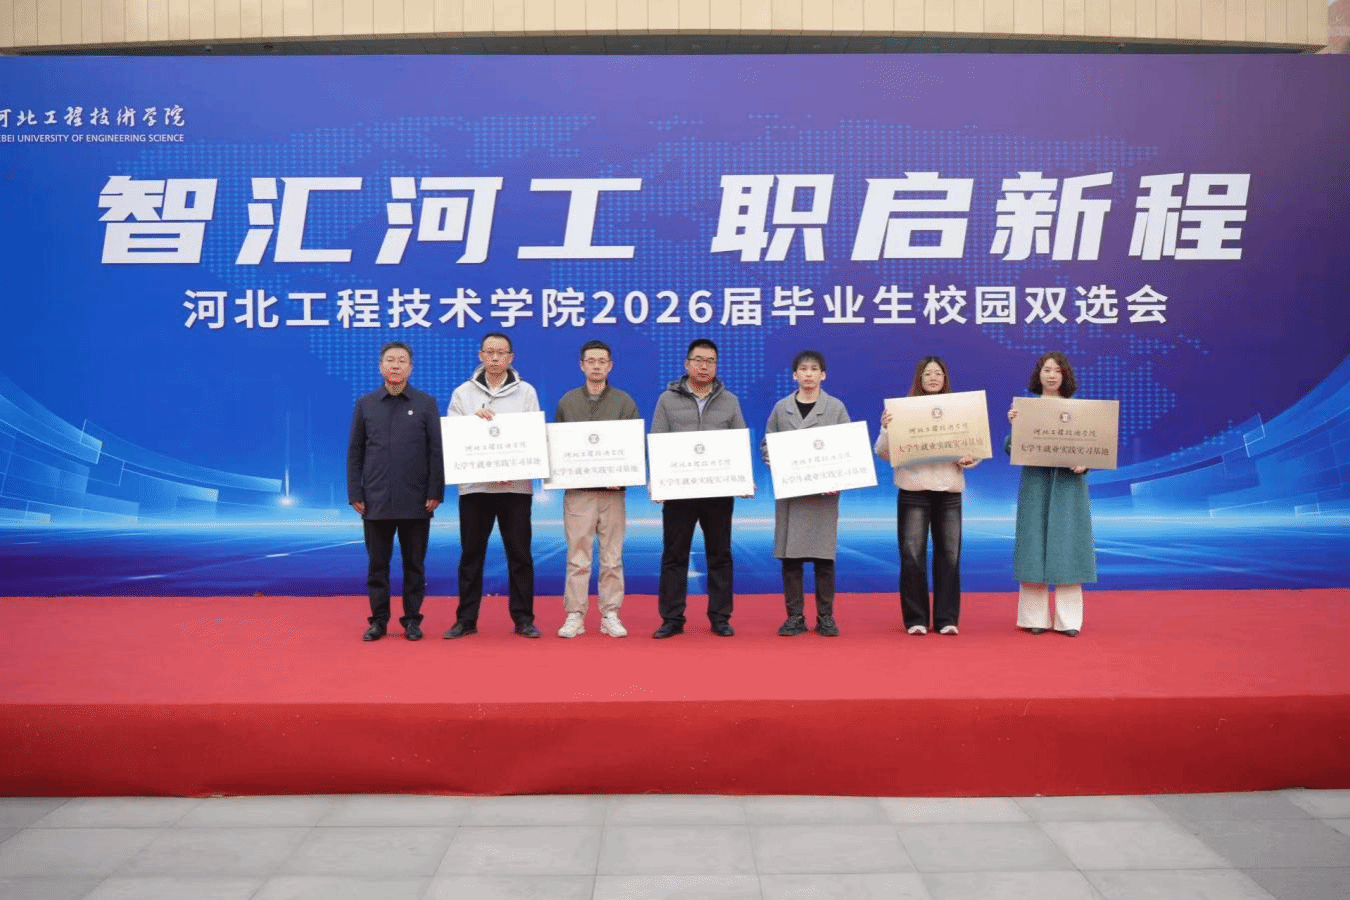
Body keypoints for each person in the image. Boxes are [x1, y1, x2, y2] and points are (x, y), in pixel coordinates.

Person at [443, 332, 542, 639]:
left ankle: (523, 618)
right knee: (471, 556)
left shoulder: (526, 392)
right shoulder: (463, 393)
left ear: (511, 357)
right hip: (476, 488)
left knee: (520, 555)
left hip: (515, 488)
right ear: (481, 356)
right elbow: (454, 436)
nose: (496, 357)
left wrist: (513, 467)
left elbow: (533, 436)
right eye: (490, 352)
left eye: (501, 353)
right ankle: (466, 619)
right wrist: (472, 423)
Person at [346, 341, 444, 642]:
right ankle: (378, 621)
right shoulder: (366, 404)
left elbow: (436, 451)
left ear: (410, 368)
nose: (396, 365)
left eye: (402, 360)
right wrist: (355, 492)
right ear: (381, 366)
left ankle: (412, 620)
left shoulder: (426, 403)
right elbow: (355, 452)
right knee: (378, 566)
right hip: (375, 500)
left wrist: (435, 491)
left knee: (414, 566)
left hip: (417, 500)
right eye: (390, 360)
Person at [650, 338, 746, 638]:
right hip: (679, 492)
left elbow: (739, 443)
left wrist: (743, 478)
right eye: (699, 360)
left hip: (718, 493)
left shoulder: (729, 401)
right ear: (687, 364)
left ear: (716, 366)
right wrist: (658, 481)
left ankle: (720, 617)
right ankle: (672, 619)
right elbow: (657, 440)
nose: (704, 366)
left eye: (710, 361)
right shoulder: (667, 400)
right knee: (674, 555)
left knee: (720, 554)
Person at [875, 356, 979, 636]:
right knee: (912, 556)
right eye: (928, 373)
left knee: (950, 556)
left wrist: (970, 459)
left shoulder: (960, 410)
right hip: (914, 492)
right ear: (919, 379)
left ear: (945, 379)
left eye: (938, 373)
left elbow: (975, 449)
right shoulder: (903, 410)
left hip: (949, 492)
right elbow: (884, 452)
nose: (933, 378)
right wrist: (886, 428)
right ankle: (916, 618)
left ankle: (947, 619)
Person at [553, 339, 641, 639]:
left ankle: (610, 614)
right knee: (578, 557)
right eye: (590, 361)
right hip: (579, 493)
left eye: (602, 361)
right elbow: (559, 447)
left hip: (612, 493)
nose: (596, 366)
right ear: (581, 365)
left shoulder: (624, 402)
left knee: (612, 557)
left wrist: (623, 474)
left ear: (610, 366)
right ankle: (575, 614)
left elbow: (633, 447)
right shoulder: (568, 402)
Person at [1005, 351, 1097, 636]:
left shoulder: (1081, 410)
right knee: (1034, 546)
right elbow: (1011, 448)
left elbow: (1095, 446)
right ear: (1039, 375)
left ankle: (1069, 620)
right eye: (1047, 369)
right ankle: (1034, 618)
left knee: (1068, 548)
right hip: (1036, 484)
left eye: (1058, 370)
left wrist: (1085, 464)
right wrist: (1015, 427)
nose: (1052, 375)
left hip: (1069, 487)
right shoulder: (1026, 409)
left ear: (1065, 375)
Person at [762, 350, 850, 637]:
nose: (809, 374)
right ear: (794, 375)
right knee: (792, 558)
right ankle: (795, 616)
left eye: (814, 369)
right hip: (792, 495)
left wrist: (838, 477)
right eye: (803, 369)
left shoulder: (835, 408)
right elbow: (766, 445)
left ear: (823, 375)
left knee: (824, 559)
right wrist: (773, 458)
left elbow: (848, 449)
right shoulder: (781, 408)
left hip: (823, 496)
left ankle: (826, 617)